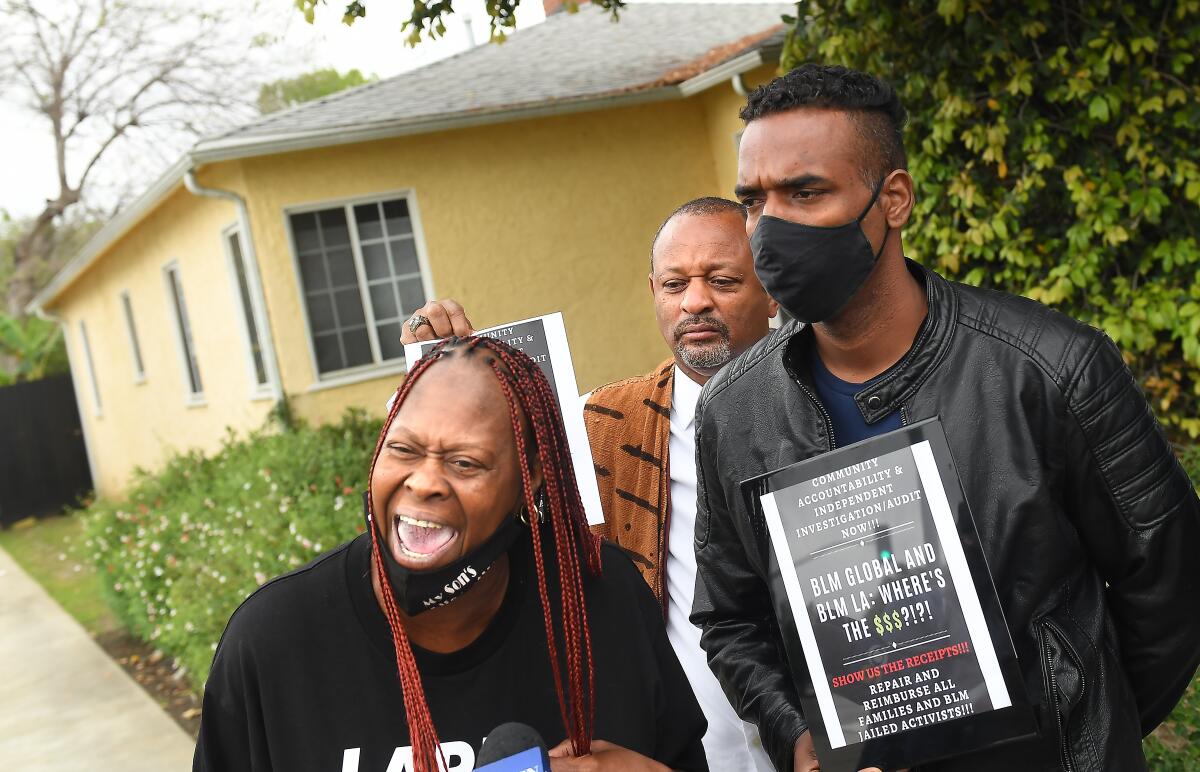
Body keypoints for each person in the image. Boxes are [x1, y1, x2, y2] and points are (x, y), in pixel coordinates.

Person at [691, 63, 1200, 772]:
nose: (771, 227)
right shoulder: (733, 411)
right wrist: (800, 738)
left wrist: (1082, 730)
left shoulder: (1051, 370)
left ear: (892, 199)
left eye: (805, 192)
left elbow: (1169, 581)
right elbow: (730, 617)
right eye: (754, 201)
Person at [194, 336, 708, 772]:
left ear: (528, 477)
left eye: (465, 462)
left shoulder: (603, 599)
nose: (424, 482)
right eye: (403, 450)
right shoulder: (273, 641)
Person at [401, 197, 780, 771]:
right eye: (675, 284)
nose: (695, 302)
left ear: (772, 288)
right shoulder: (600, 427)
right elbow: (490, 523)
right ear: (652, 290)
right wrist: (445, 375)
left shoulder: (825, 408)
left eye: (723, 280)